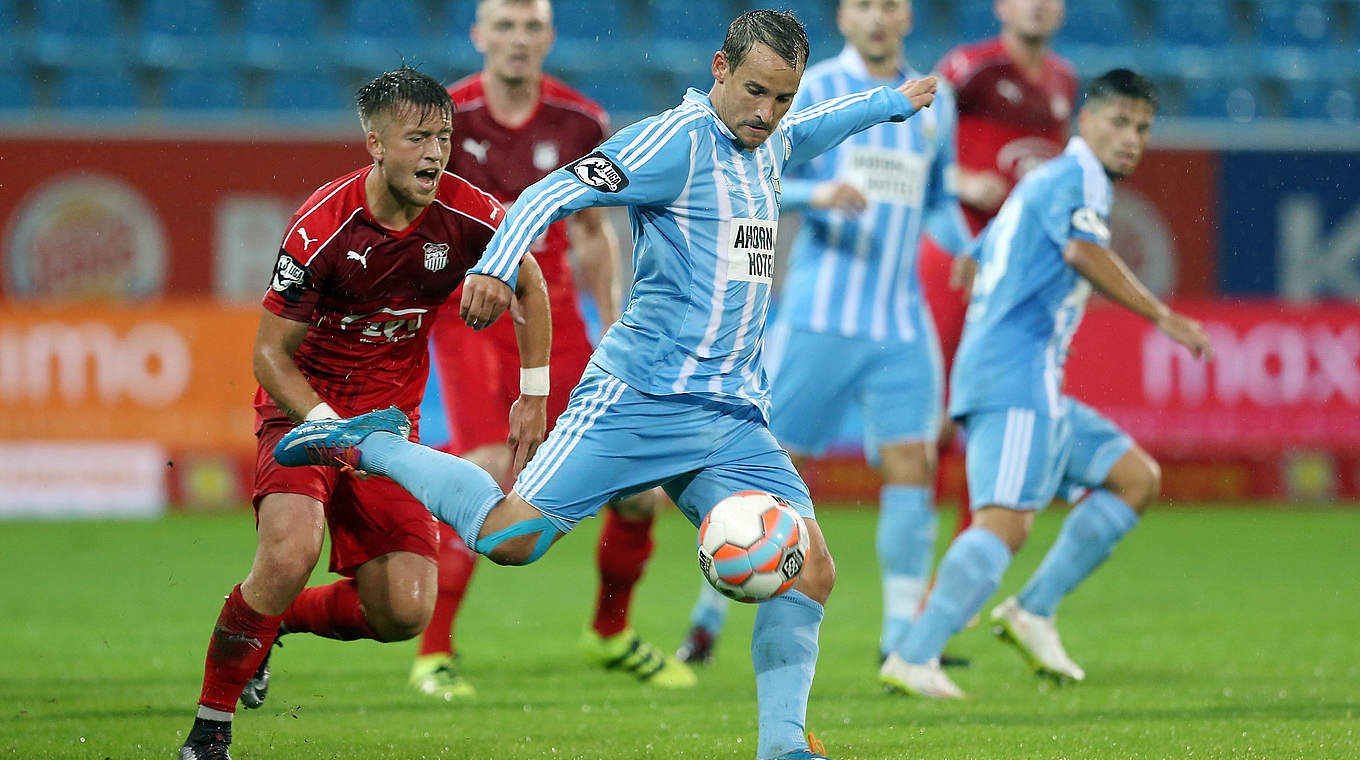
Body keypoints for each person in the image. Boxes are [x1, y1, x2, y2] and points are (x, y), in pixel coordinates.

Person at [275, 11, 938, 759]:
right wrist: (495, 266)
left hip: (731, 417)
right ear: (719, 69)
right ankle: (370, 445)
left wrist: (891, 101)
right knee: (511, 539)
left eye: (781, 98)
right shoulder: (674, 143)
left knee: (809, 569)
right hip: (640, 400)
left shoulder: (773, 137)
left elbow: (819, 125)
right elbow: (546, 197)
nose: (766, 112)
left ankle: (782, 749)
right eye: (754, 91)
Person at [175, 67, 551, 760]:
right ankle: (209, 731)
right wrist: (325, 424)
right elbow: (269, 357)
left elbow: (529, 279)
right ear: (375, 143)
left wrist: (533, 393)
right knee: (290, 551)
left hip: (387, 431)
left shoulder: (468, 214)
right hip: (303, 413)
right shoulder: (322, 227)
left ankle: (273, 624)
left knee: (405, 609)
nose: (435, 152)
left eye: (443, 136)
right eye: (418, 138)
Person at [878, 69, 1213, 699]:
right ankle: (914, 655)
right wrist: (1163, 315)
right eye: (1118, 122)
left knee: (1134, 478)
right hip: (1016, 378)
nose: (1131, 139)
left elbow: (979, 259)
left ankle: (1031, 611)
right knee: (1005, 523)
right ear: (1085, 121)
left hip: (1032, 382)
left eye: (1142, 128)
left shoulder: (1046, 182)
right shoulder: (1076, 174)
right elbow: (1082, 253)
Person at [674, 0, 974, 671]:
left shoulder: (936, 102)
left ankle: (902, 636)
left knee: (912, 467)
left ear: (907, 18)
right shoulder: (809, 88)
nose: (877, 18)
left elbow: (938, 201)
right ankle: (707, 617)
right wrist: (819, 195)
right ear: (844, 17)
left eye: (889, 6)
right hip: (818, 319)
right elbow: (755, 172)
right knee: (769, 474)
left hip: (900, 323)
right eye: (864, 5)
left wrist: (965, 248)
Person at [415, 0, 693, 699]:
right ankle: (434, 651)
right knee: (487, 466)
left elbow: (597, 235)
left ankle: (609, 634)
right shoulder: (443, 117)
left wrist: (619, 325)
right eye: (503, 26)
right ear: (478, 35)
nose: (517, 39)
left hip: (562, 318)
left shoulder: (581, 121)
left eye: (530, 26)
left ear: (549, 38)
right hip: (471, 317)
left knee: (638, 488)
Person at [920, 0, 1076, 545]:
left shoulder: (1064, 80)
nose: (1036, 6)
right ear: (1001, 7)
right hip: (957, 255)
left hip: (1015, 268)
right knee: (934, 410)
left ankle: (971, 543)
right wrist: (957, 179)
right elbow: (913, 126)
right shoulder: (970, 67)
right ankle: (912, 561)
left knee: (992, 405)